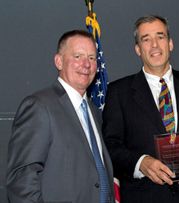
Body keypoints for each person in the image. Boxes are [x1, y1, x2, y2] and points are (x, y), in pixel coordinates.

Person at [102, 15, 179, 203]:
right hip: (144, 196)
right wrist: (141, 163)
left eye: (160, 36)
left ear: (170, 43)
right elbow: (111, 145)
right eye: (146, 39)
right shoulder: (119, 92)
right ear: (137, 50)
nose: (155, 45)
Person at [7, 30, 115, 203]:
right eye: (78, 56)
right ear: (59, 61)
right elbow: (22, 181)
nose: (86, 64)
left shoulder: (94, 111)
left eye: (92, 58)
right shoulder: (39, 106)